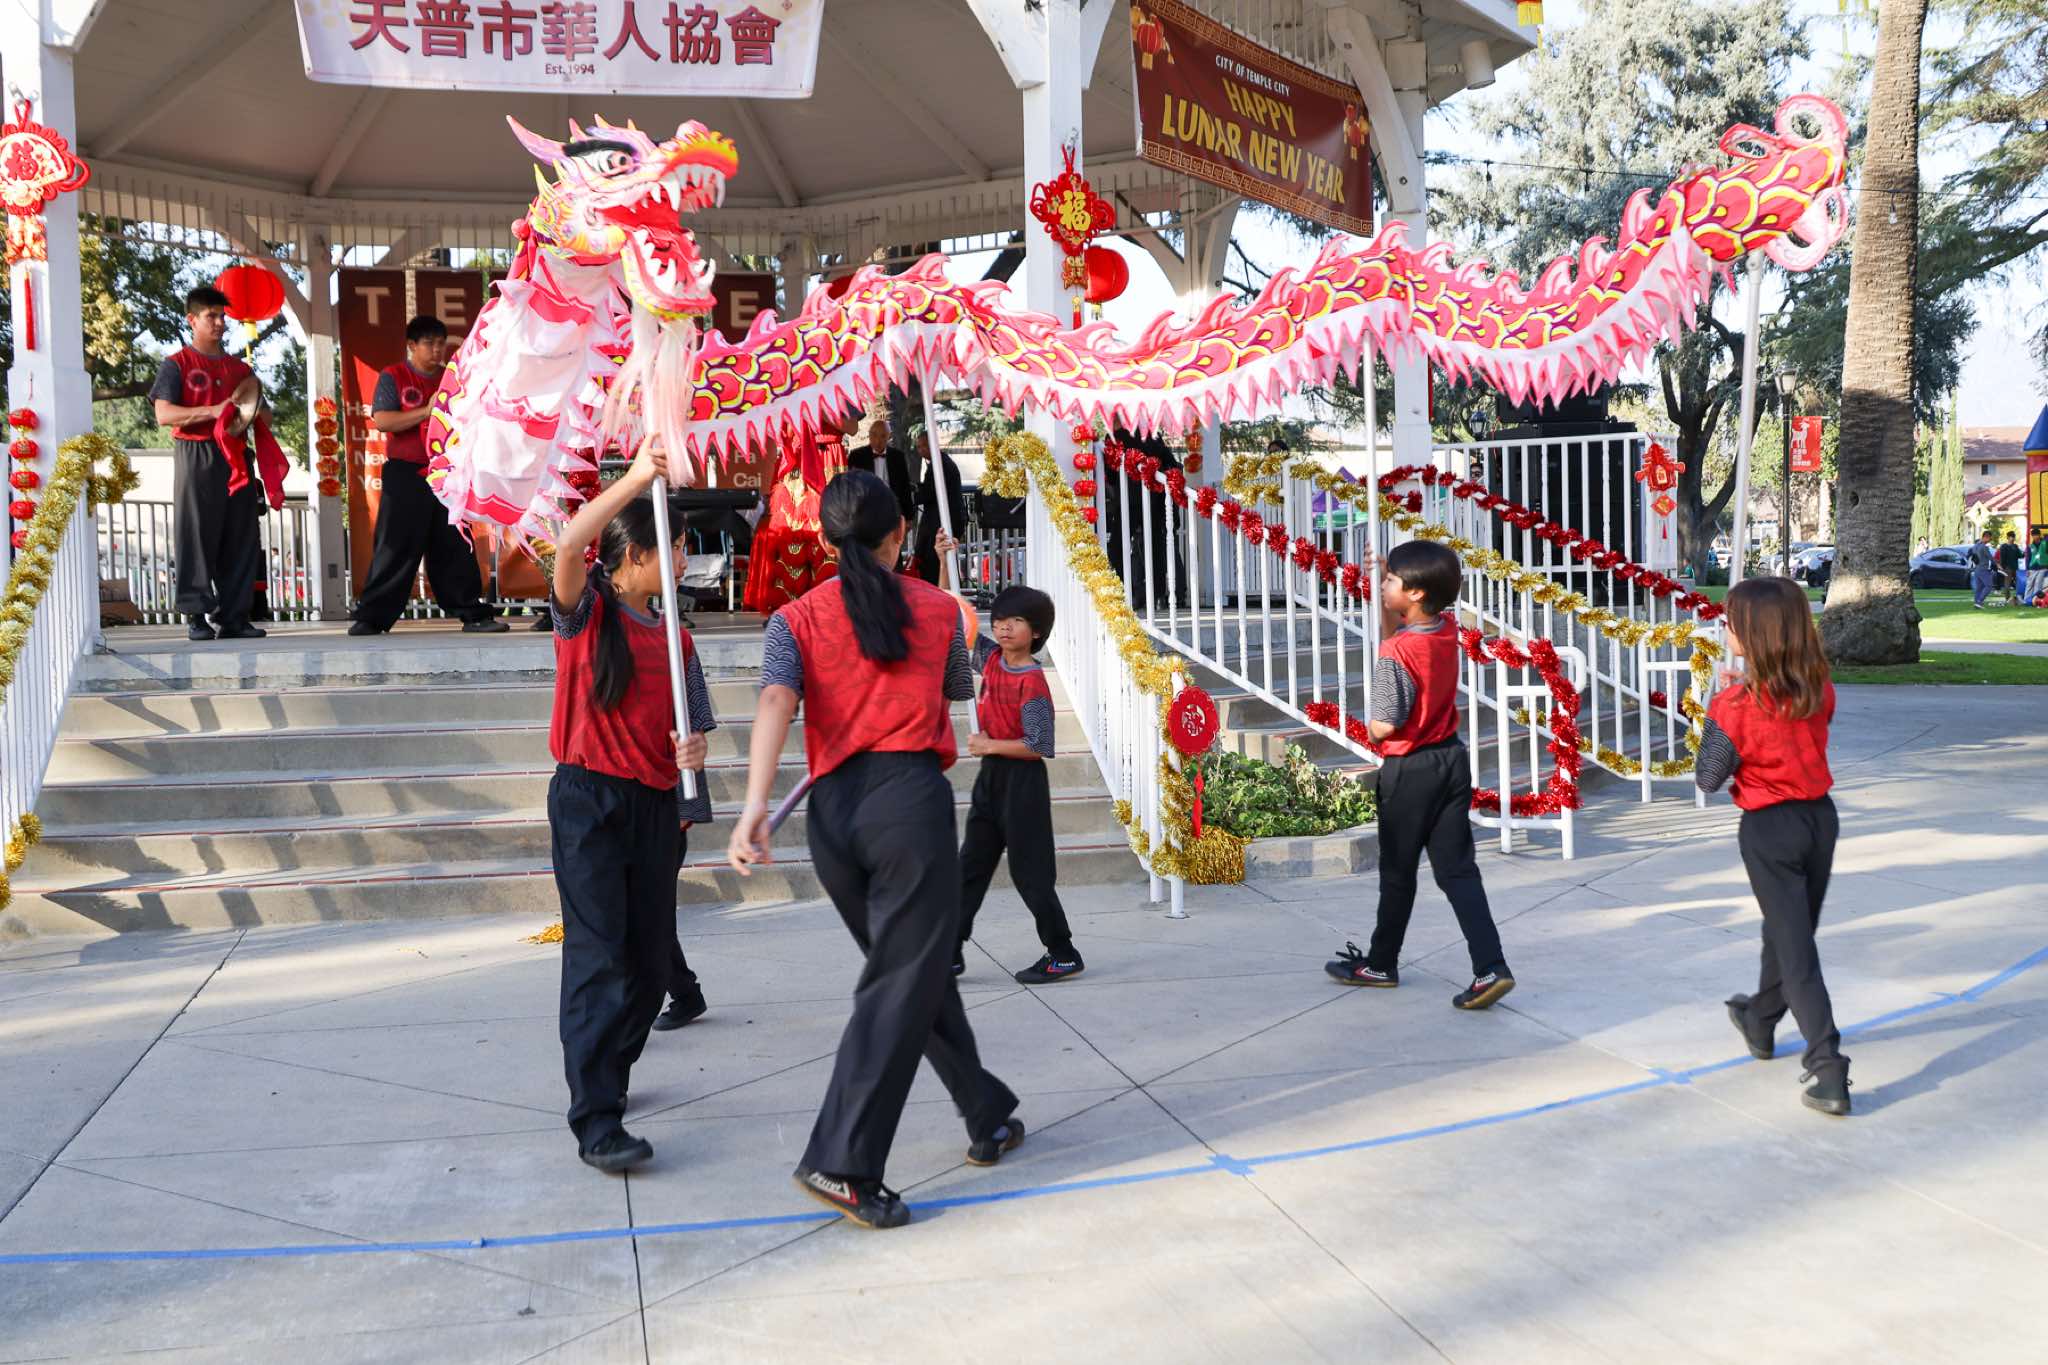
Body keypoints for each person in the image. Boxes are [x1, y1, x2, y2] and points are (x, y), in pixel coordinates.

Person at [728, 469, 1021, 1230]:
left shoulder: (793, 619)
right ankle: (842, 1160)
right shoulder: (939, 610)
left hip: (833, 818)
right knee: (901, 980)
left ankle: (984, 1110)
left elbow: (776, 700)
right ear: (900, 535)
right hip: (907, 808)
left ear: (827, 541)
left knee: (910, 973)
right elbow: (957, 689)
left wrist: (755, 805)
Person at [546, 441, 716, 1173]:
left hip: (654, 806)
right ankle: (596, 1118)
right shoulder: (585, 616)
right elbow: (569, 544)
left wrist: (693, 757)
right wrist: (639, 478)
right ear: (637, 555)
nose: (682, 559)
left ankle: (607, 1072)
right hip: (588, 801)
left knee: (648, 968)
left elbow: (693, 730)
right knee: (598, 958)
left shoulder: (678, 640)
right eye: (674, 547)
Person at [1325, 540, 1515, 1009]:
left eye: (1390, 581)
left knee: (1398, 872)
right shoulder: (1446, 629)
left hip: (1409, 770)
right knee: (1457, 870)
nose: (1382, 585)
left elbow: (1385, 724)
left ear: (1414, 593)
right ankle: (1491, 966)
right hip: (1450, 760)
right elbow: (1398, 631)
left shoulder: (1396, 653)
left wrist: (1371, 725)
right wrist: (1384, 586)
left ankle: (1380, 964)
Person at [1696, 576, 1849, 1117]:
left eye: (1731, 622)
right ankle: (1759, 1020)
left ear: (1755, 634)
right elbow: (1795, 721)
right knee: (1784, 931)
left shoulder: (1733, 705)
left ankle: (1828, 1066)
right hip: (1819, 820)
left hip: (1769, 829)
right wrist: (1747, 690)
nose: (1725, 629)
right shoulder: (1818, 687)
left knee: (1796, 949)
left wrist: (1720, 709)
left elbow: (1708, 777)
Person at [934, 533, 1081, 984]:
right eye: (999, 620)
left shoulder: (1032, 681)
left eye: (1015, 621)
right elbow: (949, 618)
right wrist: (943, 561)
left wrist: (990, 745)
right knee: (970, 867)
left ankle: (1063, 953)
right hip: (992, 780)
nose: (1002, 628)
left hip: (1023, 783)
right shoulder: (992, 659)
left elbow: (1039, 744)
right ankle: (949, 952)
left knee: (1030, 874)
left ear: (1035, 632)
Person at [351, 316, 507, 636]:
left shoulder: (455, 378)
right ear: (412, 346)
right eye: (429, 344)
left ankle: (472, 612)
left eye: (441, 344)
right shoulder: (394, 376)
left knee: (454, 543)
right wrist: (427, 410)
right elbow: (383, 421)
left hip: (449, 472)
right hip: (406, 472)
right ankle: (372, 617)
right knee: (395, 545)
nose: (437, 350)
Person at [152, 286, 265, 642]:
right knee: (196, 533)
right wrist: (212, 411)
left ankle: (234, 617)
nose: (218, 323)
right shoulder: (177, 364)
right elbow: (164, 414)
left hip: (237, 456)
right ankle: (196, 614)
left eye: (222, 316)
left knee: (242, 535)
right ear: (192, 320)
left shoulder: (240, 368)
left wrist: (253, 408)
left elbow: (260, 414)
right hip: (196, 453)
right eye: (210, 316)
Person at [742, 427, 841, 613]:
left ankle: (825, 604)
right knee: (791, 533)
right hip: (796, 461)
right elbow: (784, 428)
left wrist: (822, 415)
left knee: (824, 529)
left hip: (826, 458)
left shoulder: (834, 408)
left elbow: (852, 428)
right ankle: (789, 609)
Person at [907, 429, 967, 586]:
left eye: (924, 446)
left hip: (941, 523)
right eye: (919, 447)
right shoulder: (940, 462)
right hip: (942, 520)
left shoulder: (940, 464)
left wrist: (911, 496)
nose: (921, 450)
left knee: (934, 563)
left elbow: (930, 492)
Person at [846, 416, 915, 524]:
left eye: (883, 436)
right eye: (874, 435)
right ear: (869, 435)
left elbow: (904, 487)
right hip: (866, 511)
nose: (878, 440)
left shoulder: (898, 457)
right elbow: (850, 487)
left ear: (889, 436)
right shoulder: (857, 456)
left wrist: (909, 517)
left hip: (892, 509)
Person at [1968, 531, 1998, 608]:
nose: (1990, 540)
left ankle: (1976, 603)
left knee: (1979, 588)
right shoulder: (1984, 547)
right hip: (1983, 569)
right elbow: (1990, 558)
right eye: (1990, 538)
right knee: (1989, 586)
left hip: (1976, 569)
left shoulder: (1975, 546)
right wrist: (1998, 565)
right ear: (1986, 537)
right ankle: (1980, 601)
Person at [1997, 531, 2023, 606]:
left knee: (2018, 583)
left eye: (2014, 537)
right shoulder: (2004, 546)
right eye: (2012, 537)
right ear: (2008, 537)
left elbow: (2020, 555)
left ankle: (2019, 598)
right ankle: (2007, 598)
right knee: (2007, 584)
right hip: (2007, 568)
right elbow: (2002, 558)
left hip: (2015, 567)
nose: (2013, 538)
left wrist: (2024, 553)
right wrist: (2002, 567)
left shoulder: (2015, 546)